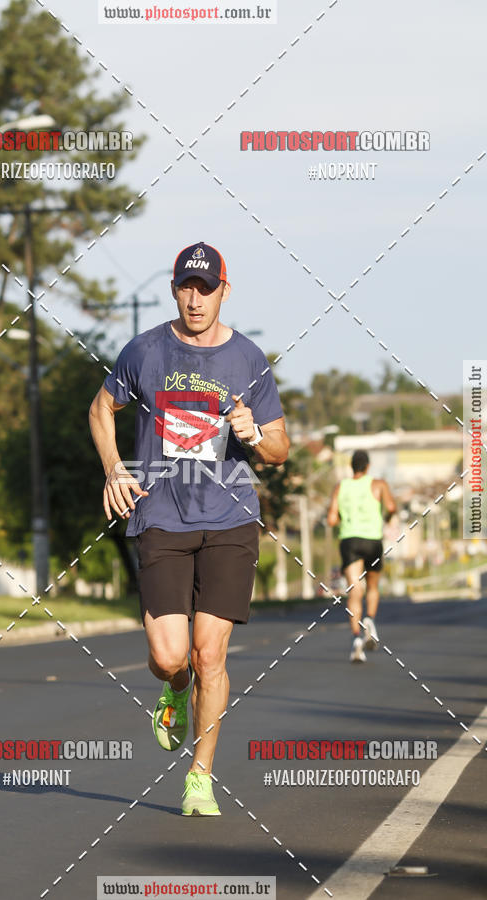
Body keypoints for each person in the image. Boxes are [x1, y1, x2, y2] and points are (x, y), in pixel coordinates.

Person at [89, 242, 290, 815]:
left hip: (230, 519)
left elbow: (280, 449)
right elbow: (101, 408)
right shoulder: (145, 352)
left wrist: (254, 433)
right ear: (174, 289)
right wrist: (113, 468)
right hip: (162, 517)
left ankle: (199, 776)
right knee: (171, 656)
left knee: (210, 656)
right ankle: (172, 691)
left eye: (206, 288)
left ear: (226, 290)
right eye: (185, 286)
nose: (195, 298)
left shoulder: (249, 361)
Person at [327, 449, 396, 663]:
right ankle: (370, 619)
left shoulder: (340, 487)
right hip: (372, 540)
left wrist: (345, 520)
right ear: (367, 466)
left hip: (349, 541)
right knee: (372, 587)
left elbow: (331, 520)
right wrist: (386, 517)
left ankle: (356, 638)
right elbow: (392, 507)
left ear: (351, 467)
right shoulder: (378, 484)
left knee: (354, 590)